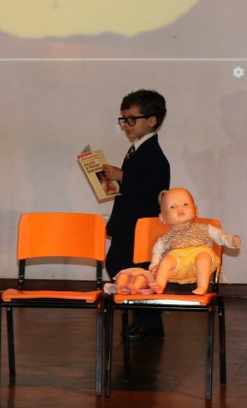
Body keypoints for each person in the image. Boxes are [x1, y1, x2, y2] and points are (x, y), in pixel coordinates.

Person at [102, 89, 170, 339]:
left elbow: (154, 188)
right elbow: (137, 185)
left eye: (132, 119)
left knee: (139, 271)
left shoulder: (154, 154)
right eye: (124, 119)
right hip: (128, 225)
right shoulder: (138, 150)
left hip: (140, 227)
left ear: (151, 120)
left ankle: (149, 322)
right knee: (119, 265)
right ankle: (142, 317)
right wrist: (115, 180)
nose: (127, 125)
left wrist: (122, 176)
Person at [149, 187, 241, 295]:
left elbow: (220, 236)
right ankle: (160, 285)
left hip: (200, 253)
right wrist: (155, 265)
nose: (180, 208)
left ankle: (202, 286)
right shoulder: (166, 237)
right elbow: (157, 252)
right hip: (178, 261)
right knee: (166, 261)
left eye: (185, 204)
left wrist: (230, 240)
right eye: (172, 207)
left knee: (203, 258)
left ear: (196, 210)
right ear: (162, 218)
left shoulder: (205, 228)